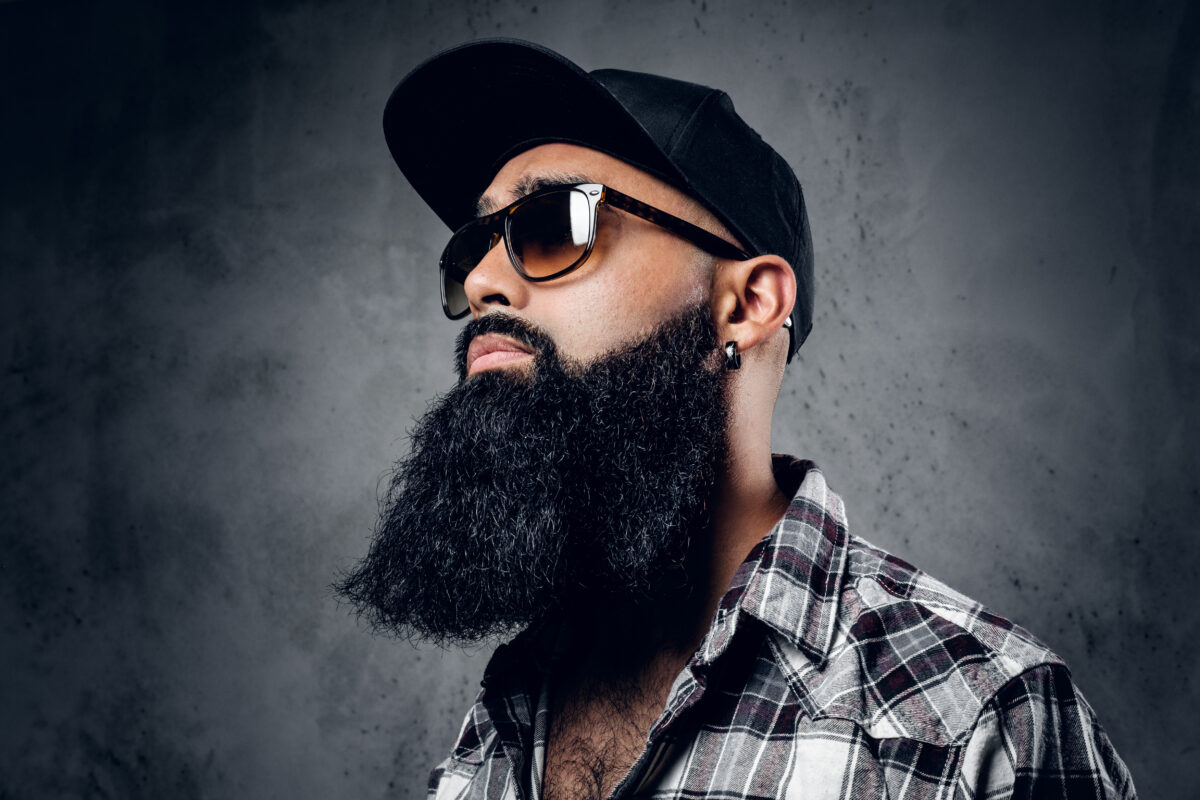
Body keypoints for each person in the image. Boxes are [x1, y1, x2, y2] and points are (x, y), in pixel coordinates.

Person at [338, 39, 1136, 800]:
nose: (480, 281)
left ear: (749, 305)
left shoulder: (984, 721)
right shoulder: (515, 701)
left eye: (549, 224)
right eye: (472, 247)